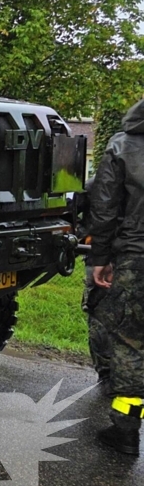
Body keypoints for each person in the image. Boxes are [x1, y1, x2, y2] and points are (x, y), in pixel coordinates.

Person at [88, 98, 144, 456]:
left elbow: (104, 207)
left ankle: (126, 429)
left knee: (130, 340)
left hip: (136, 258)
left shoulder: (123, 146)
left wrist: (101, 257)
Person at [80, 178, 113, 393]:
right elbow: (76, 216)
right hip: (102, 260)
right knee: (101, 317)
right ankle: (109, 377)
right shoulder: (98, 185)